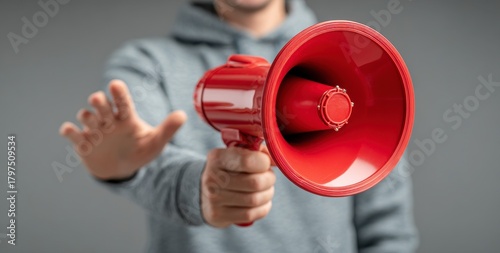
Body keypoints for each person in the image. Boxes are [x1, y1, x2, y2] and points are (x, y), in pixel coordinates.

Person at [59, 0, 419, 252]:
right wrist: (198, 188)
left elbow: (388, 231)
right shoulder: (148, 64)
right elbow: (153, 163)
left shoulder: (352, 60)